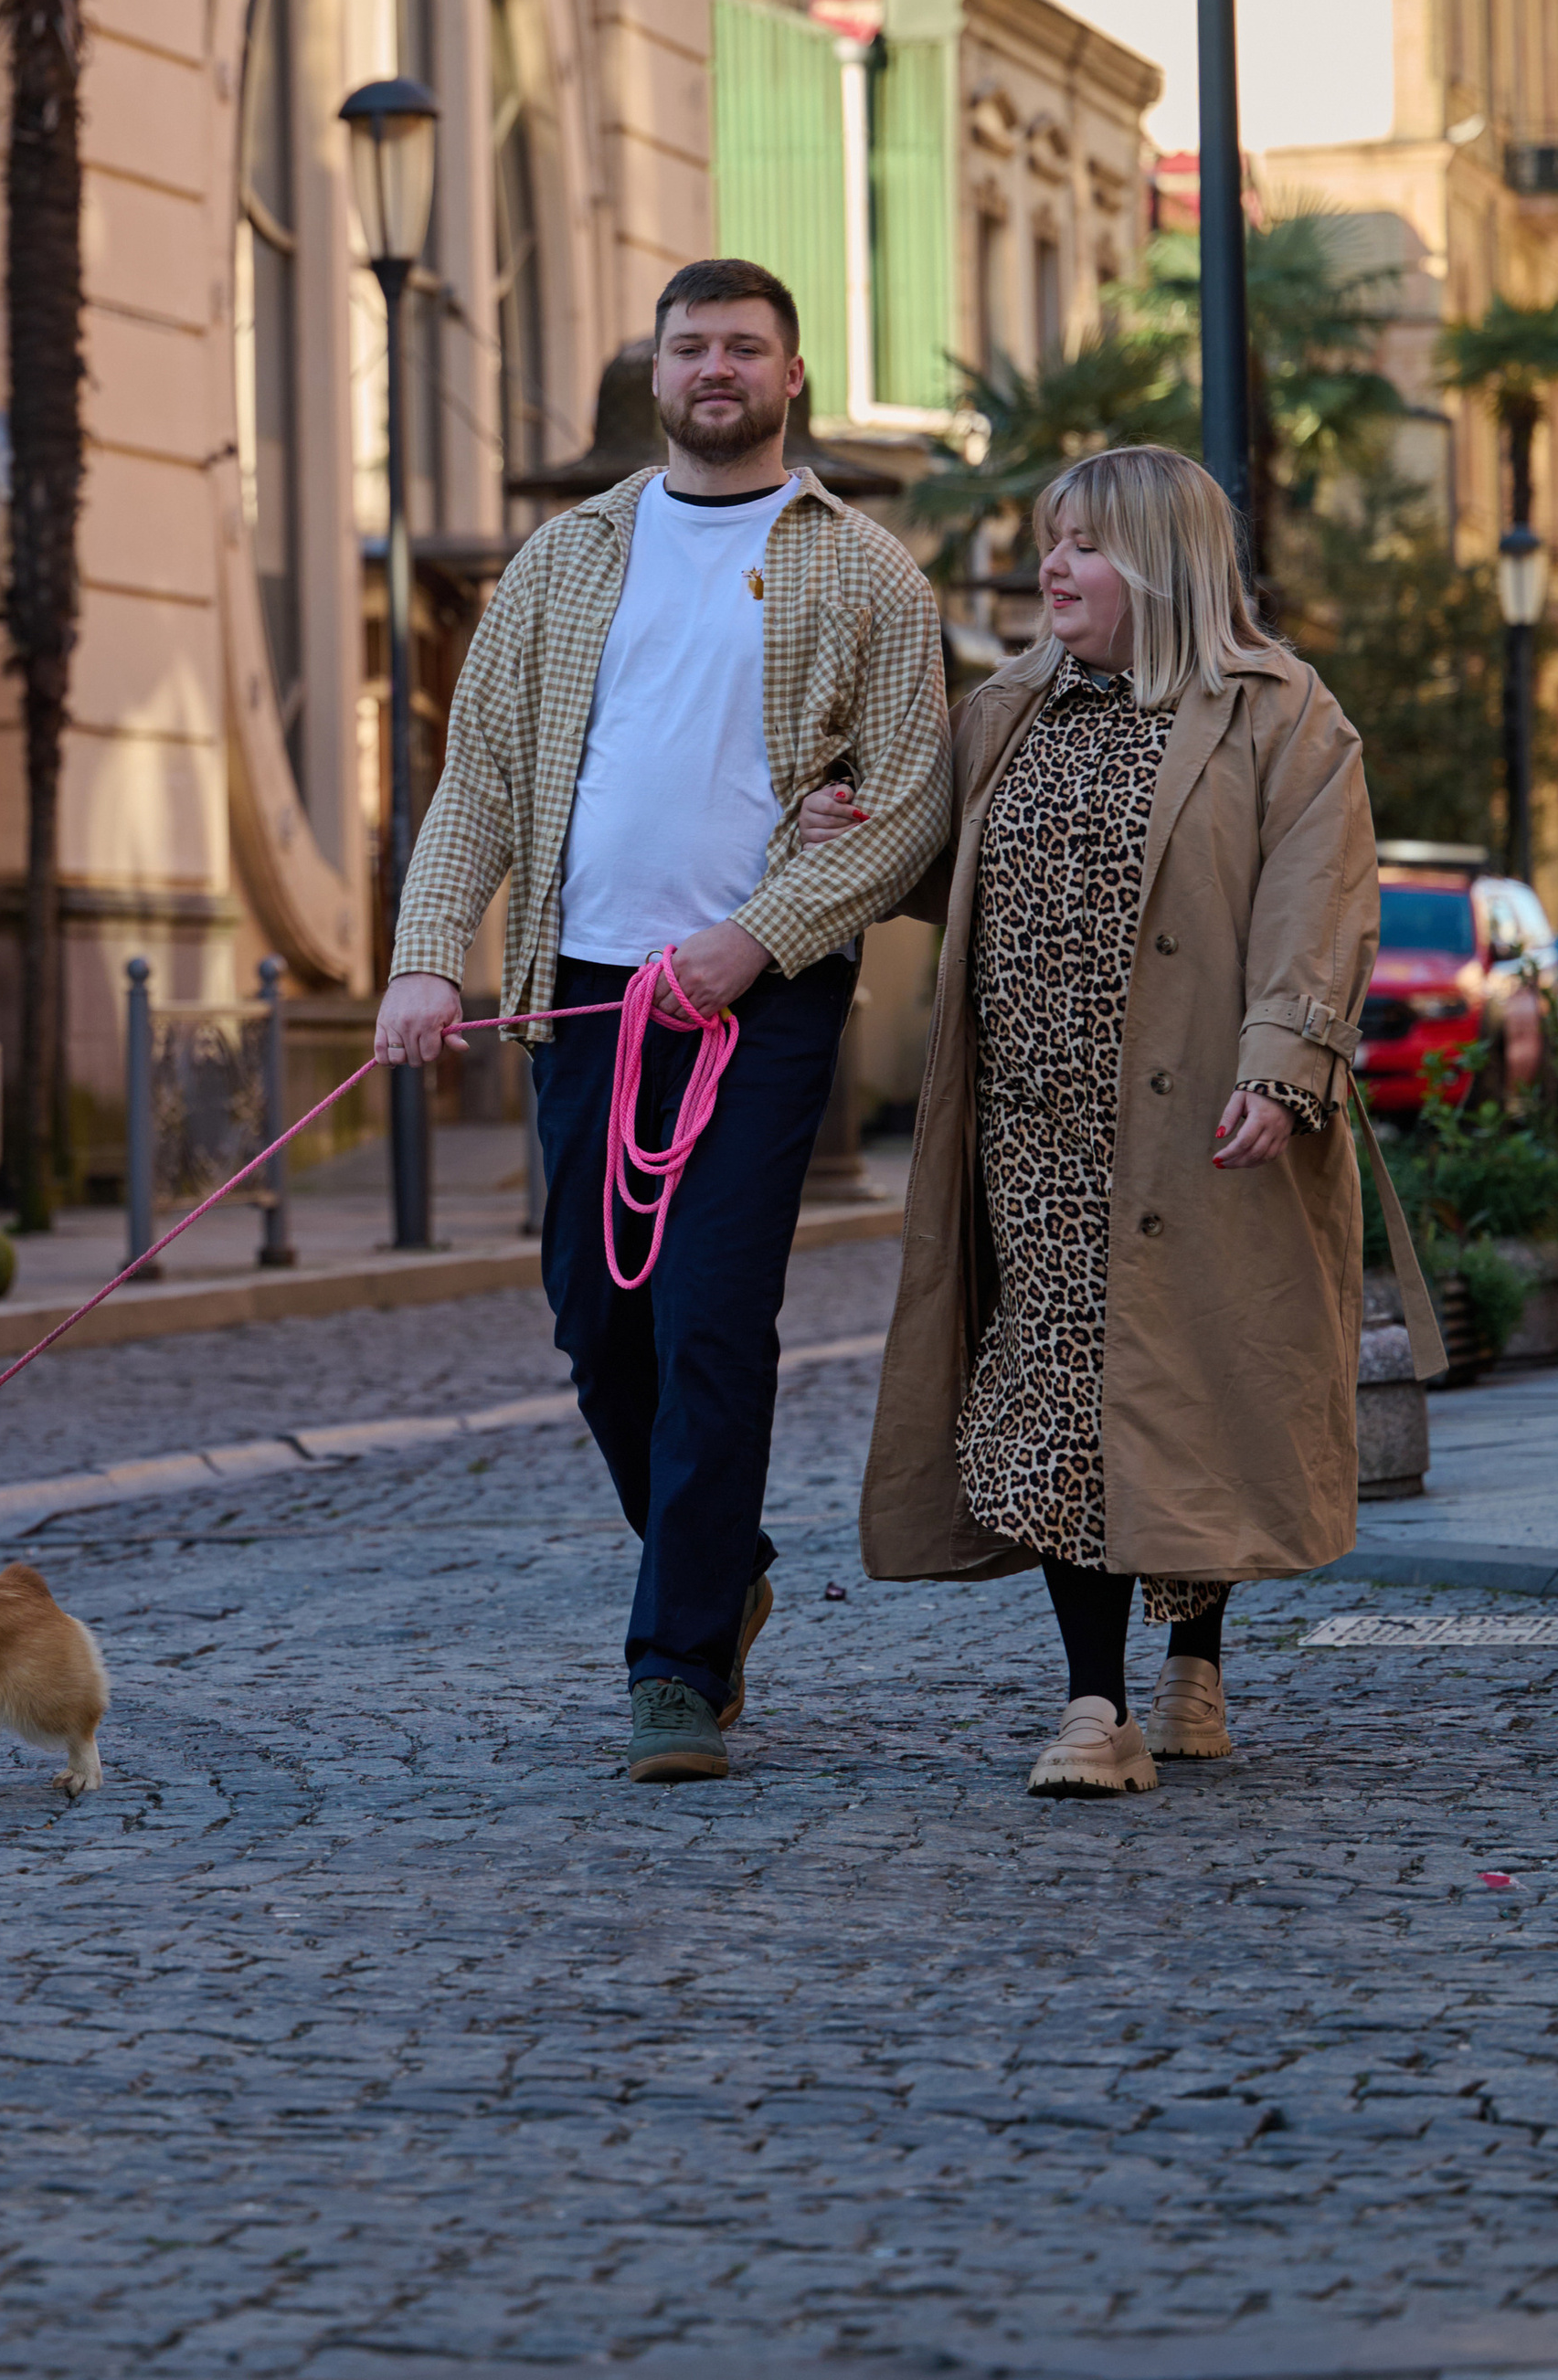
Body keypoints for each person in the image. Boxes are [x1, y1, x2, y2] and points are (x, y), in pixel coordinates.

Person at [375, 258, 951, 1785]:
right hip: (582, 990)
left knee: (708, 1315)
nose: (716, 368)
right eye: (692, 345)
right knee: (596, 1318)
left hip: (759, 1000)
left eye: (745, 347)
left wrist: (752, 942)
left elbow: (906, 808)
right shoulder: (562, 561)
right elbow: (480, 781)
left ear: (792, 376)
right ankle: (720, 1560)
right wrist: (428, 958)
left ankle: (676, 1666)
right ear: (656, 371)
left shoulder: (868, 572)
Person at [837, 444, 1382, 1796]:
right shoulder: (1004, 708)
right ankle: (1097, 1707)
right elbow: (940, 867)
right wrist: (846, 829)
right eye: (1051, 540)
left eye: (1084, 544)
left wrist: (1282, 1065)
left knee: (1193, 1381)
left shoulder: (1280, 712)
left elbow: (1316, 898)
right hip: (1037, 1129)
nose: (1054, 566)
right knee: (1062, 1397)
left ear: (1162, 560)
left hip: (1206, 1119)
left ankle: (1195, 1663)